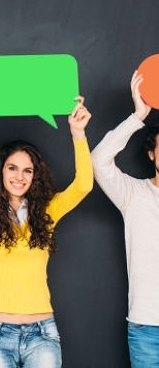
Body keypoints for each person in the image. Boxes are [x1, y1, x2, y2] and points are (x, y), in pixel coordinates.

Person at [0, 97, 92, 368]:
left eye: (27, 170)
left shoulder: (47, 211)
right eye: (12, 168)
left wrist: (78, 134)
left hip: (43, 333)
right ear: (1, 171)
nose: (19, 176)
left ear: (35, 177)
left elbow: (83, 185)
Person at [91, 71, 159, 367]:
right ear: (152, 154)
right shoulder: (133, 194)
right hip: (146, 327)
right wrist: (138, 116)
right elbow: (99, 160)